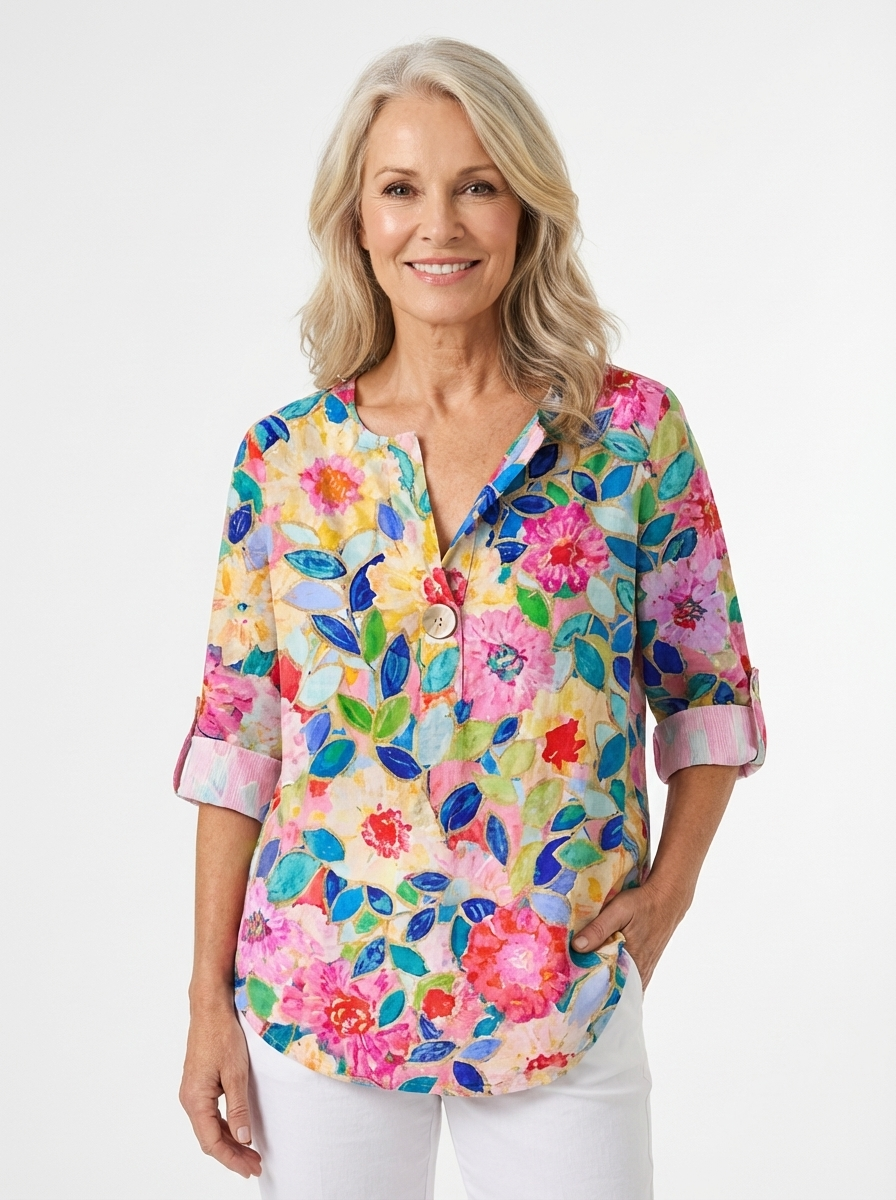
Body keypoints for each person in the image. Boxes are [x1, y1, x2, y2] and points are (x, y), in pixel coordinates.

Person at [174, 37, 766, 1200]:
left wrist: (670, 892)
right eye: (400, 188)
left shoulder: (628, 436)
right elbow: (239, 742)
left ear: (525, 209)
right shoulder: (285, 461)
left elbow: (709, 696)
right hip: (320, 993)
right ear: (356, 218)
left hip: (558, 997)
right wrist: (206, 1003)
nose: (436, 225)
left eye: (476, 186)